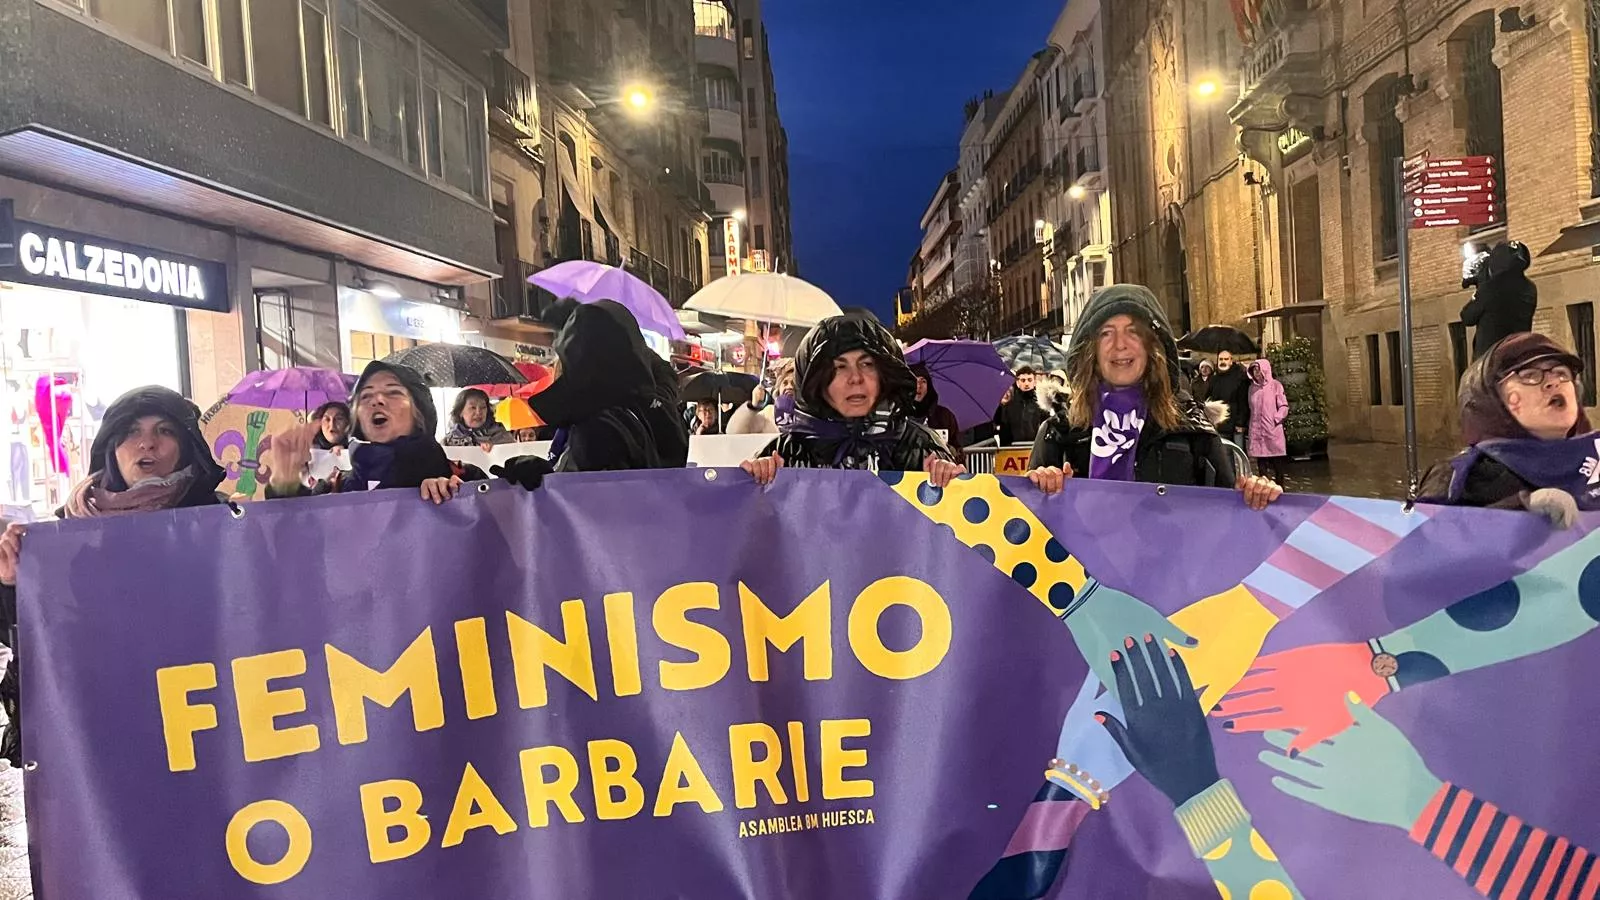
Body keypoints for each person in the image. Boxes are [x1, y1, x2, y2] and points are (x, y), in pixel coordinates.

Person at [0, 386, 229, 766]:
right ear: (111, 445)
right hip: (102, 741)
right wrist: (11, 584)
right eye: (131, 432)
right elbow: (34, 638)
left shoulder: (221, 524)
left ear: (187, 445)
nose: (148, 444)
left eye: (165, 431)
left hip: (201, 724)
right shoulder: (65, 536)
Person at [1028, 284, 1282, 509]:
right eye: (1106, 333)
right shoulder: (1058, 435)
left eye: (1133, 332)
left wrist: (1255, 499)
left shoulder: (1193, 431)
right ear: (1090, 350)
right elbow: (1028, 537)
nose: (1120, 344)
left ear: (1153, 346)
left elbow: (1226, 524)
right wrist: (1041, 492)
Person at [496, 301, 687, 486]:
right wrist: (625, 337)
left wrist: (543, 479)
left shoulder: (597, 429)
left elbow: (579, 505)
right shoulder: (653, 408)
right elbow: (664, 375)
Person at [1418, 332, 1594, 526]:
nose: (1554, 382)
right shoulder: (1458, 477)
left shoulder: (1595, 461)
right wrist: (1518, 510)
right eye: (1530, 375)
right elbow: (1425, 544)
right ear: (1493, 400)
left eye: (1562, 373)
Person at [263, 361, 469, 504]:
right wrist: (284, 483)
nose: (376, 400)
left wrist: (457, 496)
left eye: (393, 392)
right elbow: (300, 541)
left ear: (420, 413)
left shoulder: (463, 476)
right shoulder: (337, 487)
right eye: (366, 395)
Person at [1461, 240, 1536, 360]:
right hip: (1519, 352)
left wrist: (1481, 286)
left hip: (1492, 357)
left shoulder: (1491, 287)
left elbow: (1467, 317)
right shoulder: (1530, 287)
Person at [908, 363, 965, 465]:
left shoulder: (944, 416)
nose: (919, 386)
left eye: (923, 381)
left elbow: (959, 453)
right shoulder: (899, 415)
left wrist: (949, 450)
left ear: (929, 386)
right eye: (914, 381)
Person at [1247, 358, 1289, 484]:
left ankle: (1280, 488)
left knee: (1277, 462)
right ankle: (1264, 489)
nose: (1256, 373)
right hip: (1257, 430)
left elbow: (1284, 406)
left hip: (1272, 430)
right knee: (1261, 463)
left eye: (1258, 370)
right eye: (1254, 370)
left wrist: (1276, 419)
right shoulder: (1252, 389)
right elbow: (1251, 407)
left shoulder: (1276, 385)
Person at [441, 388, 515, 450]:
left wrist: (494, 450)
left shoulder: (502, 435)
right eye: (473, 408)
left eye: (483, 407)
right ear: (460, 411)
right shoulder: (448, 442)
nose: (478, 412)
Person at [1203, 350, 1250, 444]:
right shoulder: (1213, 379)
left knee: (1237, 455)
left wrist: (1240, 423)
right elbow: (1208, 399)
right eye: (1220, 359)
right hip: (1219, 424)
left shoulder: (1240, 378)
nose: (1223, 361)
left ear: (1231, 361)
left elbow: (1243, 402)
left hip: (1235, 426)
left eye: (1226, 359)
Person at [997, 366, 1048, 445]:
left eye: (1029, 380)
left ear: (1034, 382)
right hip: (1014, 449)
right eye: (1023, 380)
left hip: (1036, 448)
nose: (1026, 383)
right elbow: (1005, 430)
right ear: (1017, 383)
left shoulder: (1042, 404)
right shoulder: (1010, 405)